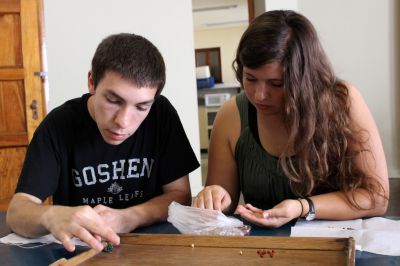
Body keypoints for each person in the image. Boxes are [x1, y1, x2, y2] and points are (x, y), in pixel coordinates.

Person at [193, 10, 389, 228]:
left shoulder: (343, 102)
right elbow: (221, 209)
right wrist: (215, 196)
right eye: (250, 78)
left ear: (305, 79)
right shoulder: (231, 116)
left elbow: (376, 198)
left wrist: (302, 207)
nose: (259, 95)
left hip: (340, 243)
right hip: (265, 252)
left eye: (276, 84)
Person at [6, 33, 199, 252]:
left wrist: (129, 218)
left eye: (142, 107)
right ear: (91, 82)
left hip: (152, 248)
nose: (123, 122)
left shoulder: (161, 114)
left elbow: (180, 196)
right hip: (82, 252)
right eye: (113, 101)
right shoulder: (58, 125)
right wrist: (50, 216)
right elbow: (16, 212)